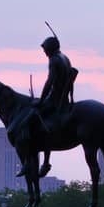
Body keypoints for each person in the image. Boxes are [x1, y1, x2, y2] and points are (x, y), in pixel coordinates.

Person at [15, 33, 78, 177]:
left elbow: (50, 82)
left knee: (27, 120)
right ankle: (43, 161)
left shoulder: (54, 60)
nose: (44, 52)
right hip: (62, 99)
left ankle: (30, 161)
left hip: (54, 100)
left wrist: (41, 100)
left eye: (45, 50)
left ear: (50, 48)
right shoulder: (64, 57)